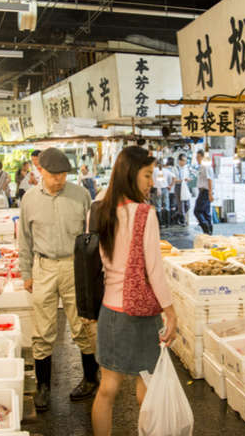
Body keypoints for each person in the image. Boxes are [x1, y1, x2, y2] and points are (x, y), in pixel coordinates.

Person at [90, 147, 177, 436]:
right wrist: (171, 312)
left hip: (110, 311)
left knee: (107, 390)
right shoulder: (144, 214)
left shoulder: (99, 208)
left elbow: (98, 260)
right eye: (147, 175)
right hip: (140, 313)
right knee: (148, 389)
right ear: (131, 174)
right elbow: (154, 269)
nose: (152, 181)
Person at [18, 148, 96, 411]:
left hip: (75, 266)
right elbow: (24, 240)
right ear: (41, 171)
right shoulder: (29, 199)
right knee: (42, 329)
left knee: (82, 323)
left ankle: (90, 379)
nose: (60, 180)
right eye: (55, 175)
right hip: (44, 266)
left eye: (64, 175)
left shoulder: (80, 194)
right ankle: (42, 387)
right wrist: (26, 272)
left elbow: (92, 234)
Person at [194, 150, 214, 235]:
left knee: (197, 211)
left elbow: (210, 180)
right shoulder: (202, 166)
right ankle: (209, 232)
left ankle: (206, 229)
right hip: (203, 191)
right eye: (196, 157)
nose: (197, 159)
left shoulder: (206, 166)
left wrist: (210, 193)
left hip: (205, 192)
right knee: (206, 212)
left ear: (203, 157)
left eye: (198, 157)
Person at [173, 153, 191, 225]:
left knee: (188, 205)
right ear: (179, 161)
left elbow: (188, 176)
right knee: (181, 205)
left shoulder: (186, 168)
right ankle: (183, 221)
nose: (184, 162)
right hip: (178, 187)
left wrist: (188, 179)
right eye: (183, 160)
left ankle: (175, 216)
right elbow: (174, 180)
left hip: (185, 187)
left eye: (185, 161)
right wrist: (183, 180)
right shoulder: (175, 168)